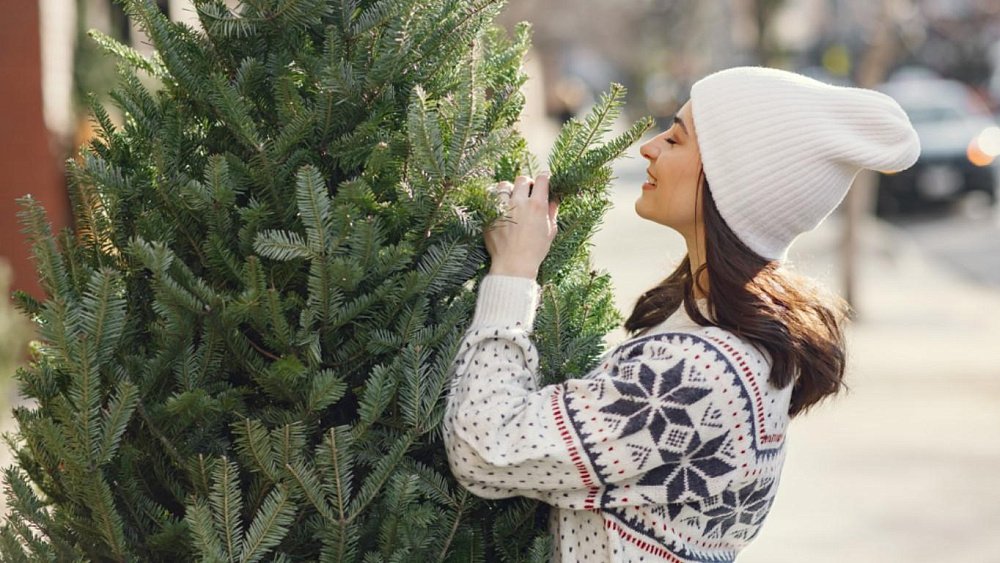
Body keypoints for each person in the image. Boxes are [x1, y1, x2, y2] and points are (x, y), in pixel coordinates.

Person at [441, 66, 920, 562]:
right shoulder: (732, 337)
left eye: (676, 138)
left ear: (729, 180)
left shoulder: (698, 371)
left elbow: (485, 448)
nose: (650, 147)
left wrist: (514, 270)